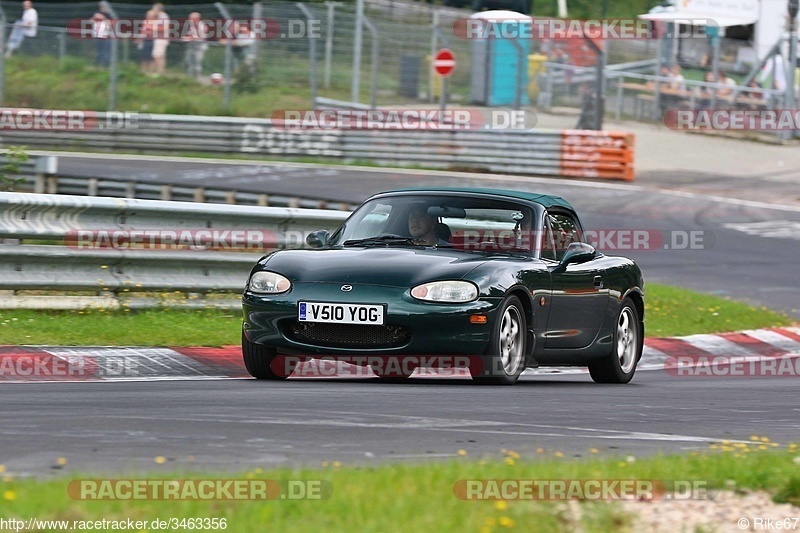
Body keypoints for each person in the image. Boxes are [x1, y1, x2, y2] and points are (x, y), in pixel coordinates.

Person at [182, 12, 208, 80]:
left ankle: (197, 76)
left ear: (196, 19)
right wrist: (187, 37)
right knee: (187, 61)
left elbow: (201, 36)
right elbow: (190, 35)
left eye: (191, 18)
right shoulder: (191, 26)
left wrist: (189, 38)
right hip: (191, 45)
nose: (189, 20)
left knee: (197, 61)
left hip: (199, 46)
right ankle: (189, 76)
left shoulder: (202, 25)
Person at [151, 3, 170, 76]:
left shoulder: (163, 17)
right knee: (160, 56)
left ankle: (160, 72)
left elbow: (165, 28)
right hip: (159, 39)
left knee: (157, 56)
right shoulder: (160, 17)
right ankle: (160, 72)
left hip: (161, 39)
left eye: (154, 9)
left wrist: (154, 28)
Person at [137, 9, 157, 75]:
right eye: (148, 15)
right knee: (144, 57)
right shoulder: (145, 22)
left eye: (151, 15)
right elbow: (143, 31)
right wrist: (139, 38)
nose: (149, 16)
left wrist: (149, 29)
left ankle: (150, 71)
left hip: (152, 40)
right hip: (145, 40)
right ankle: (143, 71)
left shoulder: (156, 22)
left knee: (151, 57)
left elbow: (152, 31)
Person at [92, 3, 112, 68]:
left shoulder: (109, 15)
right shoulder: (96, 14)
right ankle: (97, 65)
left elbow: (110, 23)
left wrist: (103, 17)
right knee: (98, 52)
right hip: (97, 36)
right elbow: (91, 20)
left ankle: (106, 66)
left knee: (106, 53)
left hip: (106, 37)